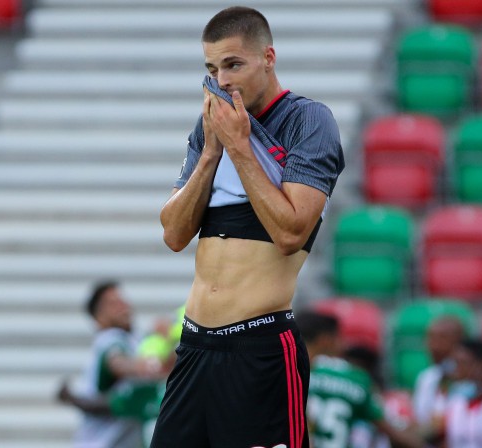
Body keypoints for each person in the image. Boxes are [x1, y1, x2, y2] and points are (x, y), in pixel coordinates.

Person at [153, 6, 344, 447]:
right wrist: (210, 155)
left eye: (233, 64)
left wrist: (239, 146)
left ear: (268, 58)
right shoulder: (211, 128)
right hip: (195, 347)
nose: (221, 80)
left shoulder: (308, 121)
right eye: (212, 68)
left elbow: (291, 233)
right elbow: (174, 235)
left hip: (258, 350)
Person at [296, 311, 422, 448]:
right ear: (325, 340)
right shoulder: (356, 377)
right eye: (339, 338)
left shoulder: (288, 374)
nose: (343, 345)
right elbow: (390, 431)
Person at [67, 281, 165, 448]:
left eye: (122, 300)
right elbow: (117, 361)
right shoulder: (109, 339)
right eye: (112, 303)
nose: (123, 306)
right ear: (98, 318)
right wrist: (140, 367)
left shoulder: (134, 340)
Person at [413, 316, 465, 431]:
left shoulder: (469, 379)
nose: (434, 346)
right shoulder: (426, 378)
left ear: (459, 342)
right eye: (431, 338)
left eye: (442, 339)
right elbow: (422, 422)